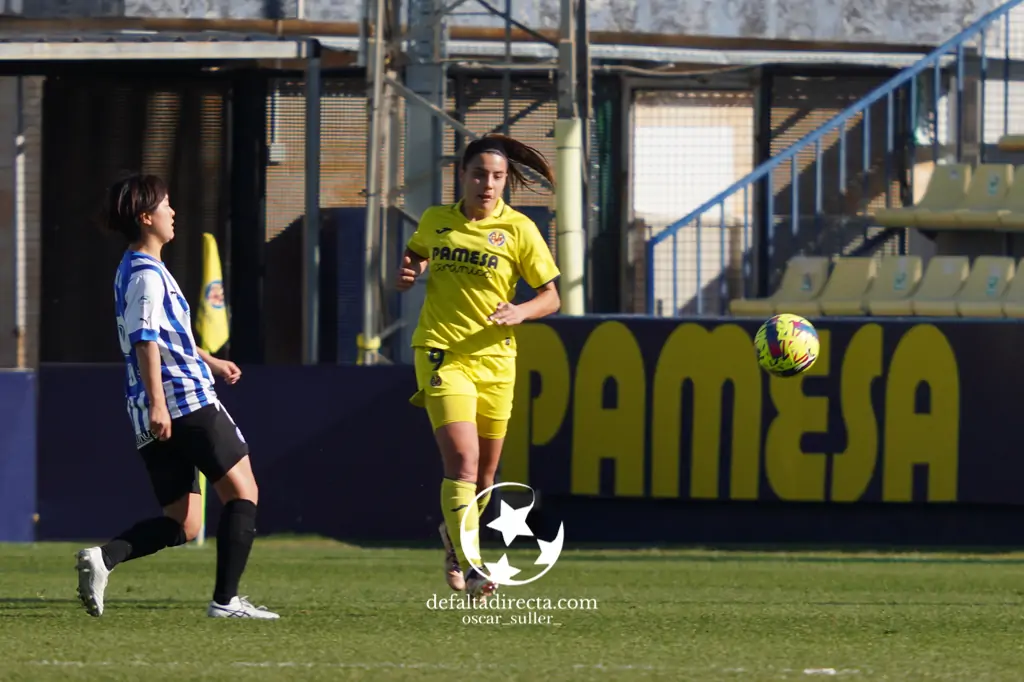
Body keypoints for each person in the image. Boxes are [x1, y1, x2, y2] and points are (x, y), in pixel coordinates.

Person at [75, 174, 279, 620]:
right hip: (184, 403)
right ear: (146, 218)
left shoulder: (131, 269)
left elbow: (169, 338)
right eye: (166, 206)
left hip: (151, 411)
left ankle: (104, 558)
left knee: (184, 523)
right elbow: (147, 340)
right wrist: (159, 403)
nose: (173, 213)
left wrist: (212, 361)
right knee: (245, 492)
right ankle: (226, 603)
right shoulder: (147, 275)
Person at [395, 134, 562, 599]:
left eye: (497, 177)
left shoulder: (520, 230)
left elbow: (551, 296)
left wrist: (521, 311)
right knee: (463, 462)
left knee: (485, 479)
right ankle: (472, 566)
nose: (487, 185)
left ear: (506, 181)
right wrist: (409, 271)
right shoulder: (436, 220)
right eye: (478, 174)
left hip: (497, 362)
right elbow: (416, 253)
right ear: (462, 176)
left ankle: (452, 536)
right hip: (442, 352)